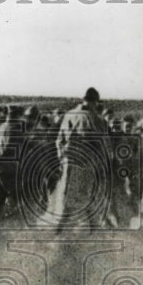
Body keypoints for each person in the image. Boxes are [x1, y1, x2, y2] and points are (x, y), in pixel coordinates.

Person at [49, 87, 111, 231]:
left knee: (68, 196)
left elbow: (59, 141)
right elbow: (104, 145)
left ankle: (61, 230)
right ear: (94, 102)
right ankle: (87, 230)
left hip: (68, 162)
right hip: (87, 163)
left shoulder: (69, 115)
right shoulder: (97, 119)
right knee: (87, 197)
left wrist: (61, 159)